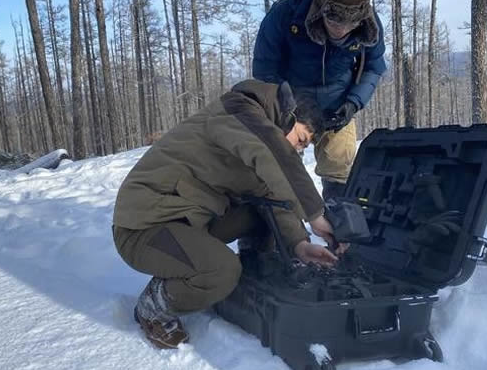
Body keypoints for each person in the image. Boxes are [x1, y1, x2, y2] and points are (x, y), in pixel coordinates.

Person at [112, 79, 343, 349]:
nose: (298, 150)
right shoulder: (238, 112)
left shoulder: (259, 133)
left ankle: (252, 275)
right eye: (301, 140)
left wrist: (299, 244)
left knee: (262, 216)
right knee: (221, 271)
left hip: (189, 220)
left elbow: (273, 197)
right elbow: (273, 154)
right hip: (144, 226)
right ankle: (153, 309)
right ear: (288, 117)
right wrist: (315, 214)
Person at [253, 0, 387, 200]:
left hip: (337, 107)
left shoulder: (369, 23)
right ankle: (275, 232)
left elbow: (374, 67)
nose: (342, 30)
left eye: (351, 24)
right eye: (335, 22)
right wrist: (289, 106)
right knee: (276, 173)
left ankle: (338, 231)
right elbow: (264, 70)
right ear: (320, 7)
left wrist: (354, 102)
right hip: (291, 108)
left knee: (340, 172)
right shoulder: (285, 14)